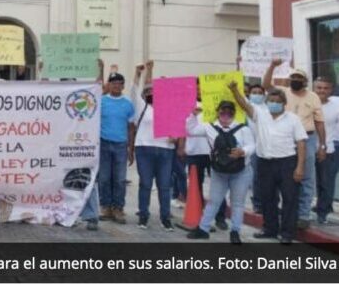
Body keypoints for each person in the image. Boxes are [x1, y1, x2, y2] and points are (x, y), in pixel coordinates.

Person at [231, 85, 306, 244]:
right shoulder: (260, 114)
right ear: (267, 102)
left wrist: (300, 167)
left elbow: (301, 143)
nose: (274, 104)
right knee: (268, 198)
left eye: (277, 101)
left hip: (287, 163)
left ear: (284, 103)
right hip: (265, 163)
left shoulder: (293, 119)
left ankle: (287, 233)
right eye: (271, 101)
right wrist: (234, 90)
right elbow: (244, 105)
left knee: (289, 199)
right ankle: (270, 229)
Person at [263, 60, 326, 228]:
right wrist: (272, 66)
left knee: (306, 177)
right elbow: (266, 84)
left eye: (299, 78)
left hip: (308, 138)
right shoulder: (282, 92)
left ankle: (303, 215)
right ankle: (287, 211)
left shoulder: (313, 97)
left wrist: (322, 145)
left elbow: (319, 122)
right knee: (286, 177)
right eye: (293, 77)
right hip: (286, 140)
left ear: (305, 81)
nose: (296, 80)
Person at [185, 99, 256, 244]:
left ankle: (235, 231)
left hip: (241, 171)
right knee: (214, 201)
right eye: (223, 111)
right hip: (220, 171)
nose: (226, 114)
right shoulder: (209, 127)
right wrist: (192, 115)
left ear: (234, 113)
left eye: (229, 111)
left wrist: (243, 151)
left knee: (237, 203)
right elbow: (190, 131)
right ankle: (203, 229)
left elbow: (252, 145)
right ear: (218, 112)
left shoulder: (243, 129)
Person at [129, 60, 176, 231]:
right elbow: (134, 91)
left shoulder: (170, 109)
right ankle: (143, 216)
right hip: (145, 149)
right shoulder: (142, 107)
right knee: (146, 184)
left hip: (165, 150)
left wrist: (175, 137)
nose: (153, 93)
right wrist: (140, 73)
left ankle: (165, 218)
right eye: (150, 91)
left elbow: (179, 128)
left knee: (164, 185)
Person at [96, 59, 135, 225]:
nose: (116, 86)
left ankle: (118, 208)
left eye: (120, 83)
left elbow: (131, 127)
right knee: (104, 178)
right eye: (113, 83)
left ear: (123, 86)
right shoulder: (101, 101)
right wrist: (101, 68)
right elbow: (95, 87)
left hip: (120, 146)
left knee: (119, 179)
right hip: (103, 144)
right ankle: (105, 207)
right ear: (109, 85)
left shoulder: (128, 104)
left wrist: (131, 149)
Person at [313, 77, 339, 224]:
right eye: (319, 87)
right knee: (316, 181)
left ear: (331, 90)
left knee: (327, 181)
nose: (322, 90)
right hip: (310, 148)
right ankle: (321, 206)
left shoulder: (336, 103)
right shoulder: (309, 103)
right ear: (314, 88)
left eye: (326, 88)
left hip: (329, 148)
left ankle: (323, 212)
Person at [247, 84, 267, 213]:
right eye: (254, 92)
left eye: (260, 92)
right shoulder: (246, 107)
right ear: (249, 94)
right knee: (257, 177)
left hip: (267, 147)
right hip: (253, 147)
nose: (257, 95)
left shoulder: (267, 107)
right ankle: (258, 203)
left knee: (268, 177)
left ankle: (269, 202)